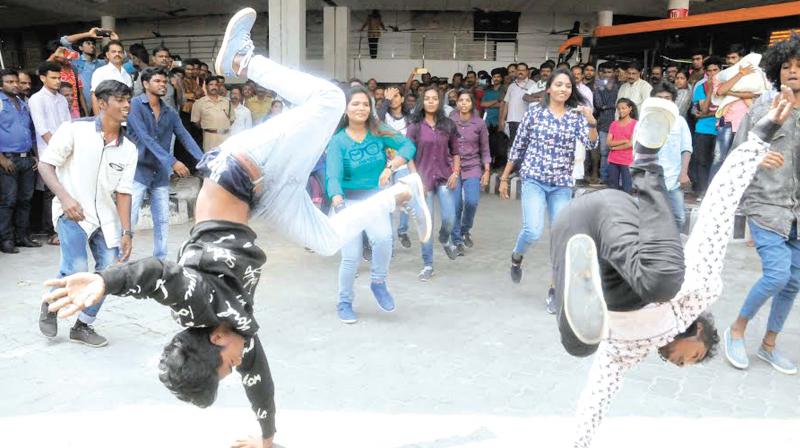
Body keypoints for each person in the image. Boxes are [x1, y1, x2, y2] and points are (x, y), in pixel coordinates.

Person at [43, 9, 432, 448]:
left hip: (244, 166)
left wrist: (102, 279)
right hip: (267, 195)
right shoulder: (236, 331)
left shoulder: (197, 303)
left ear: (215, 340)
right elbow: (260, 384)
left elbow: (156, 274)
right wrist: (267, 439)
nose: (238, 366)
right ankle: (402, 193)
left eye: (226, 366)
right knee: (325, 239)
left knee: (329, 101)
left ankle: (242, 61)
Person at [551, 88, 793, 448]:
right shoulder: (697, 296)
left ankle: (577, 282)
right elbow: (717, 211)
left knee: (580, 346)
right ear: (698, 326)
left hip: (573, 232)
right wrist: (761, 135)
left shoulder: (627, 353)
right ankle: (646, 155)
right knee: (664, 282)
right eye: (691, 357)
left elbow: (595, 399)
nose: (680, 364)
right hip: (610, 214)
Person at [37, 79, 136, 347]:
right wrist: (65, 198)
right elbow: (45, 165)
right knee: (76, 268)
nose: (126, 105)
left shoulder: (129, 148)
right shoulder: (74, 130)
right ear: (102, 104)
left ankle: (83, 326)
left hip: (106, 218)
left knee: (107, 275)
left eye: (128, 99)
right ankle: (51, 304)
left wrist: (127, 231)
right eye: (120, 100)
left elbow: (124, 193)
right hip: (71, 211)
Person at [724, 34, 800, 376]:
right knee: (776, 275)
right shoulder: (761, 108)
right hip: (766, 204)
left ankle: (769, 345)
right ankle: (737, 329)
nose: (793, 72)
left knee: (794, 282)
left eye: (799, 67)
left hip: (797, 210)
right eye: (786, 66)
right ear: (776, 71)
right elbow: (737, 154)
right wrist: (758, 156)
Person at [498, 68, 597, 313]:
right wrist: (503, 177)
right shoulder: (534, 113)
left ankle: (554, 289)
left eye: (568, 86)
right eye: (559, 84)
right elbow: (518, 145)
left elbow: (591, 143)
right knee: (532, 230)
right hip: (533, 180)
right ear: (549, 88)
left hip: (561, 185)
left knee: (561, 238)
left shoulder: (576, 117)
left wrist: (592, 122)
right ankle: (517, 256)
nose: (563, 89)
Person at [326, 85, 417, 323]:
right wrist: (337, 200)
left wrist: (391, 166)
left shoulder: (379, 130)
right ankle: (344, 302)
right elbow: (332, 177)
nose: (361, 108)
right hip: (348, 203)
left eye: (366, 104)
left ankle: (378, 282)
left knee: (384, 239)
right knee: (351, 256)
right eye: (355, 103)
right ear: (345, 109)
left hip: (376, 199)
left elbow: (408, 146)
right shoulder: (337, 141)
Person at [127, 67, 205, 261]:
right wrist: (173, 162)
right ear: (145, 84)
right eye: (157, 81)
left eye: (165, 82)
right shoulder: (135, 105)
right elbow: (145, 139)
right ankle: (122, 258)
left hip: (159, 172)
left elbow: (185, 137)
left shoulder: (170, 112)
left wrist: (204, 160)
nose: (163, 85)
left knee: (162, 219)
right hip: (137, 170)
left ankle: (160, 260)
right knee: (129, 218)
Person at [407, 85, 461, 281]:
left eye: (435, 98)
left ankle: (445, 239)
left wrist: (456, 172)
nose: (431, 101)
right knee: (426, 223)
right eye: (427, 98)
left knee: (450, 218)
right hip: (423, 180)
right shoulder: (415, 126)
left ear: (440, 102)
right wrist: (416, 179)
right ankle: (428, 264)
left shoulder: (448, 124)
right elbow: (408, 155)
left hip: (445, 177)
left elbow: (455, 152)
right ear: (423, 101)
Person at [29, 62, 72, 247]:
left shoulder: (62, 99)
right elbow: (42, 129)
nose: (57, 81)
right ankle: (52, 232)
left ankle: (64, 230)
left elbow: (68, 125)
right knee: (50, 193)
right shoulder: (36, 99)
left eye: (59, 77)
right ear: (42, 78)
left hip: (65, 150)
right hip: (50, 152)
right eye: (53, 78)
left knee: (65, 189)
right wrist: (58, 149)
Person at [0, 68, 39, 254]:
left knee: (26, 199)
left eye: (16, 81)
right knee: (9, 201)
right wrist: (1, 158)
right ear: (1, 84)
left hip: (26, 158)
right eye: (9, 82)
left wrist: (34, 156)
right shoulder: (0, 102)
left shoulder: (23, 103)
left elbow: (30, 132)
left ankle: (22, 237)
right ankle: (6, 240)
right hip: (7, 159)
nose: (15, 85)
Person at [450, 90, 490, 255]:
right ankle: (456, 239)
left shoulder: (479, 123)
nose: (464, 103)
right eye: (461, 100)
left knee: (472, 202)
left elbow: (485, 149)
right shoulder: (450, 121)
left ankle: (465, 229)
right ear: (457, 103)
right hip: (453, 167)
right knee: (456, 204)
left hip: (473, 166)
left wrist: (487, 170)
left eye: (467, 100)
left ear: (472, 103)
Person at [710, 44, 757, 180]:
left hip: (746, 123)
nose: (730, 61)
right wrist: (740, 74)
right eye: (728, 58)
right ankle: (712, 193)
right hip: (727, 123)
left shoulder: (753, 75)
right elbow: (720, 91)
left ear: (742, 59)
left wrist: (731, 92)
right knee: (719, 158)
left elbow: (756, 94)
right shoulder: (720, 76)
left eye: (734, 57)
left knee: (742, 160)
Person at [651, 82, 693, 229]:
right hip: (650, 179)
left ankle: (670, 247)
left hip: (673, 179)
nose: (663, 101)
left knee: (679, 217)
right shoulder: (645, 122)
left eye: (667, 98)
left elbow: (686, 148)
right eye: (659, 97)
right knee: (648, 218)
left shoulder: (680, 121)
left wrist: (683, 173)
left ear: (673, 100)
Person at [378, 86, 413, 248]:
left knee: (404, 198)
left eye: (396, 95)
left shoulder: (410, 119)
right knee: (387, 203)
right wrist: (385, 101)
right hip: (383, 165)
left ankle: (402, 230)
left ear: (403, 98)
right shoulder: (381, 117)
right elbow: (375, 120)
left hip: (403, 164)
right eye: (390, 96)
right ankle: (389, 241)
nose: (393, 98)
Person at [690, 56, 722, 197]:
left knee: (718, 162)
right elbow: (703, 108)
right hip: (703, 129)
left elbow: (705, 112)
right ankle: (703, 192)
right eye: (709, 70)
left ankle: (714, 194)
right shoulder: (700, 86)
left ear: (721, 70)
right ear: (706, 72)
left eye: (716, 70)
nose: (713, 73)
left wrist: (705, 114)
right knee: (702, 161)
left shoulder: (727, 85)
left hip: (721, 129)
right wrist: (710, 90)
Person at [192, 76, 234, 151]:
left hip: (226, 138)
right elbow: (196, 122)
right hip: (210, 138)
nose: (214, 87)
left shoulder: (227, 102)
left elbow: (231, 120)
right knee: (211, 160)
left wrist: (222, 125)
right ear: (206, 86)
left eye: (216, 85)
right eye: (211, 84)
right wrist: (210, 127)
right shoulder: (199, 103)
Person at [90, 40, 132, 115]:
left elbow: (129, 99)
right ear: (107, 55)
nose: (117, 54)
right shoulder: (100, 72)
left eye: (120, 52)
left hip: (125, 119)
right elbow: (95, 97)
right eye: (114, 52)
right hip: (107, 119)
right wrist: (98, 119)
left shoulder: (127, 75)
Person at [593, 62, 618, 183]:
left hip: (618, 122)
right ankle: (604, 177)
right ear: (601, 73)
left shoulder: (620, 86)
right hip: (603, 122)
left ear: (614, 73)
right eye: (605, 72)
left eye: (610, 72)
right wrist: (612, 106)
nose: (607, 74)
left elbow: (620, 104)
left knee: (617, 151)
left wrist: (606, 106)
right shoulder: (598, 85)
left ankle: (614, 178)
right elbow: (598, 104)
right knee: (604, 151)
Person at [499, 62, 535, 145]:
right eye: (519, 70)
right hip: (511, 120)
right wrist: (502, 119)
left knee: (524, 145)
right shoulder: (512, 86)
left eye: (523, 70)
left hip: (525, 121)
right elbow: (507, 103)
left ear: (527, 72)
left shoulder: (532, 84)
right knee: (512, 145)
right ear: (516, 71)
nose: (520, 72)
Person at [606, 98, 637, 193]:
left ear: (630, 108)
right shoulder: (614, 124)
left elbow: (631, 144)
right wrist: (624, 140)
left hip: (627, 160)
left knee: (627, 187)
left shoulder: (635, 124)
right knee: (612, 188)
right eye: (619, 109)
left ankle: (627, 207)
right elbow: (608, 142)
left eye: (624, 108)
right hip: (613, 159)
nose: (621, 111)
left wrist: (614, 148)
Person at [481, 68, 507, 169]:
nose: (496, 79)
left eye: (498, 77)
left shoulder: (504, 90)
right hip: (488, 120)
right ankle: (488, 163)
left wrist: (490, 104)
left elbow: (503, 104)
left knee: (498, 143)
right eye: (494, 77)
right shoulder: (488, 91)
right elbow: (483, 104)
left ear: (501, 78)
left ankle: (497, 164)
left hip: (499, 120)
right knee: (487, 143)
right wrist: (496, 101)